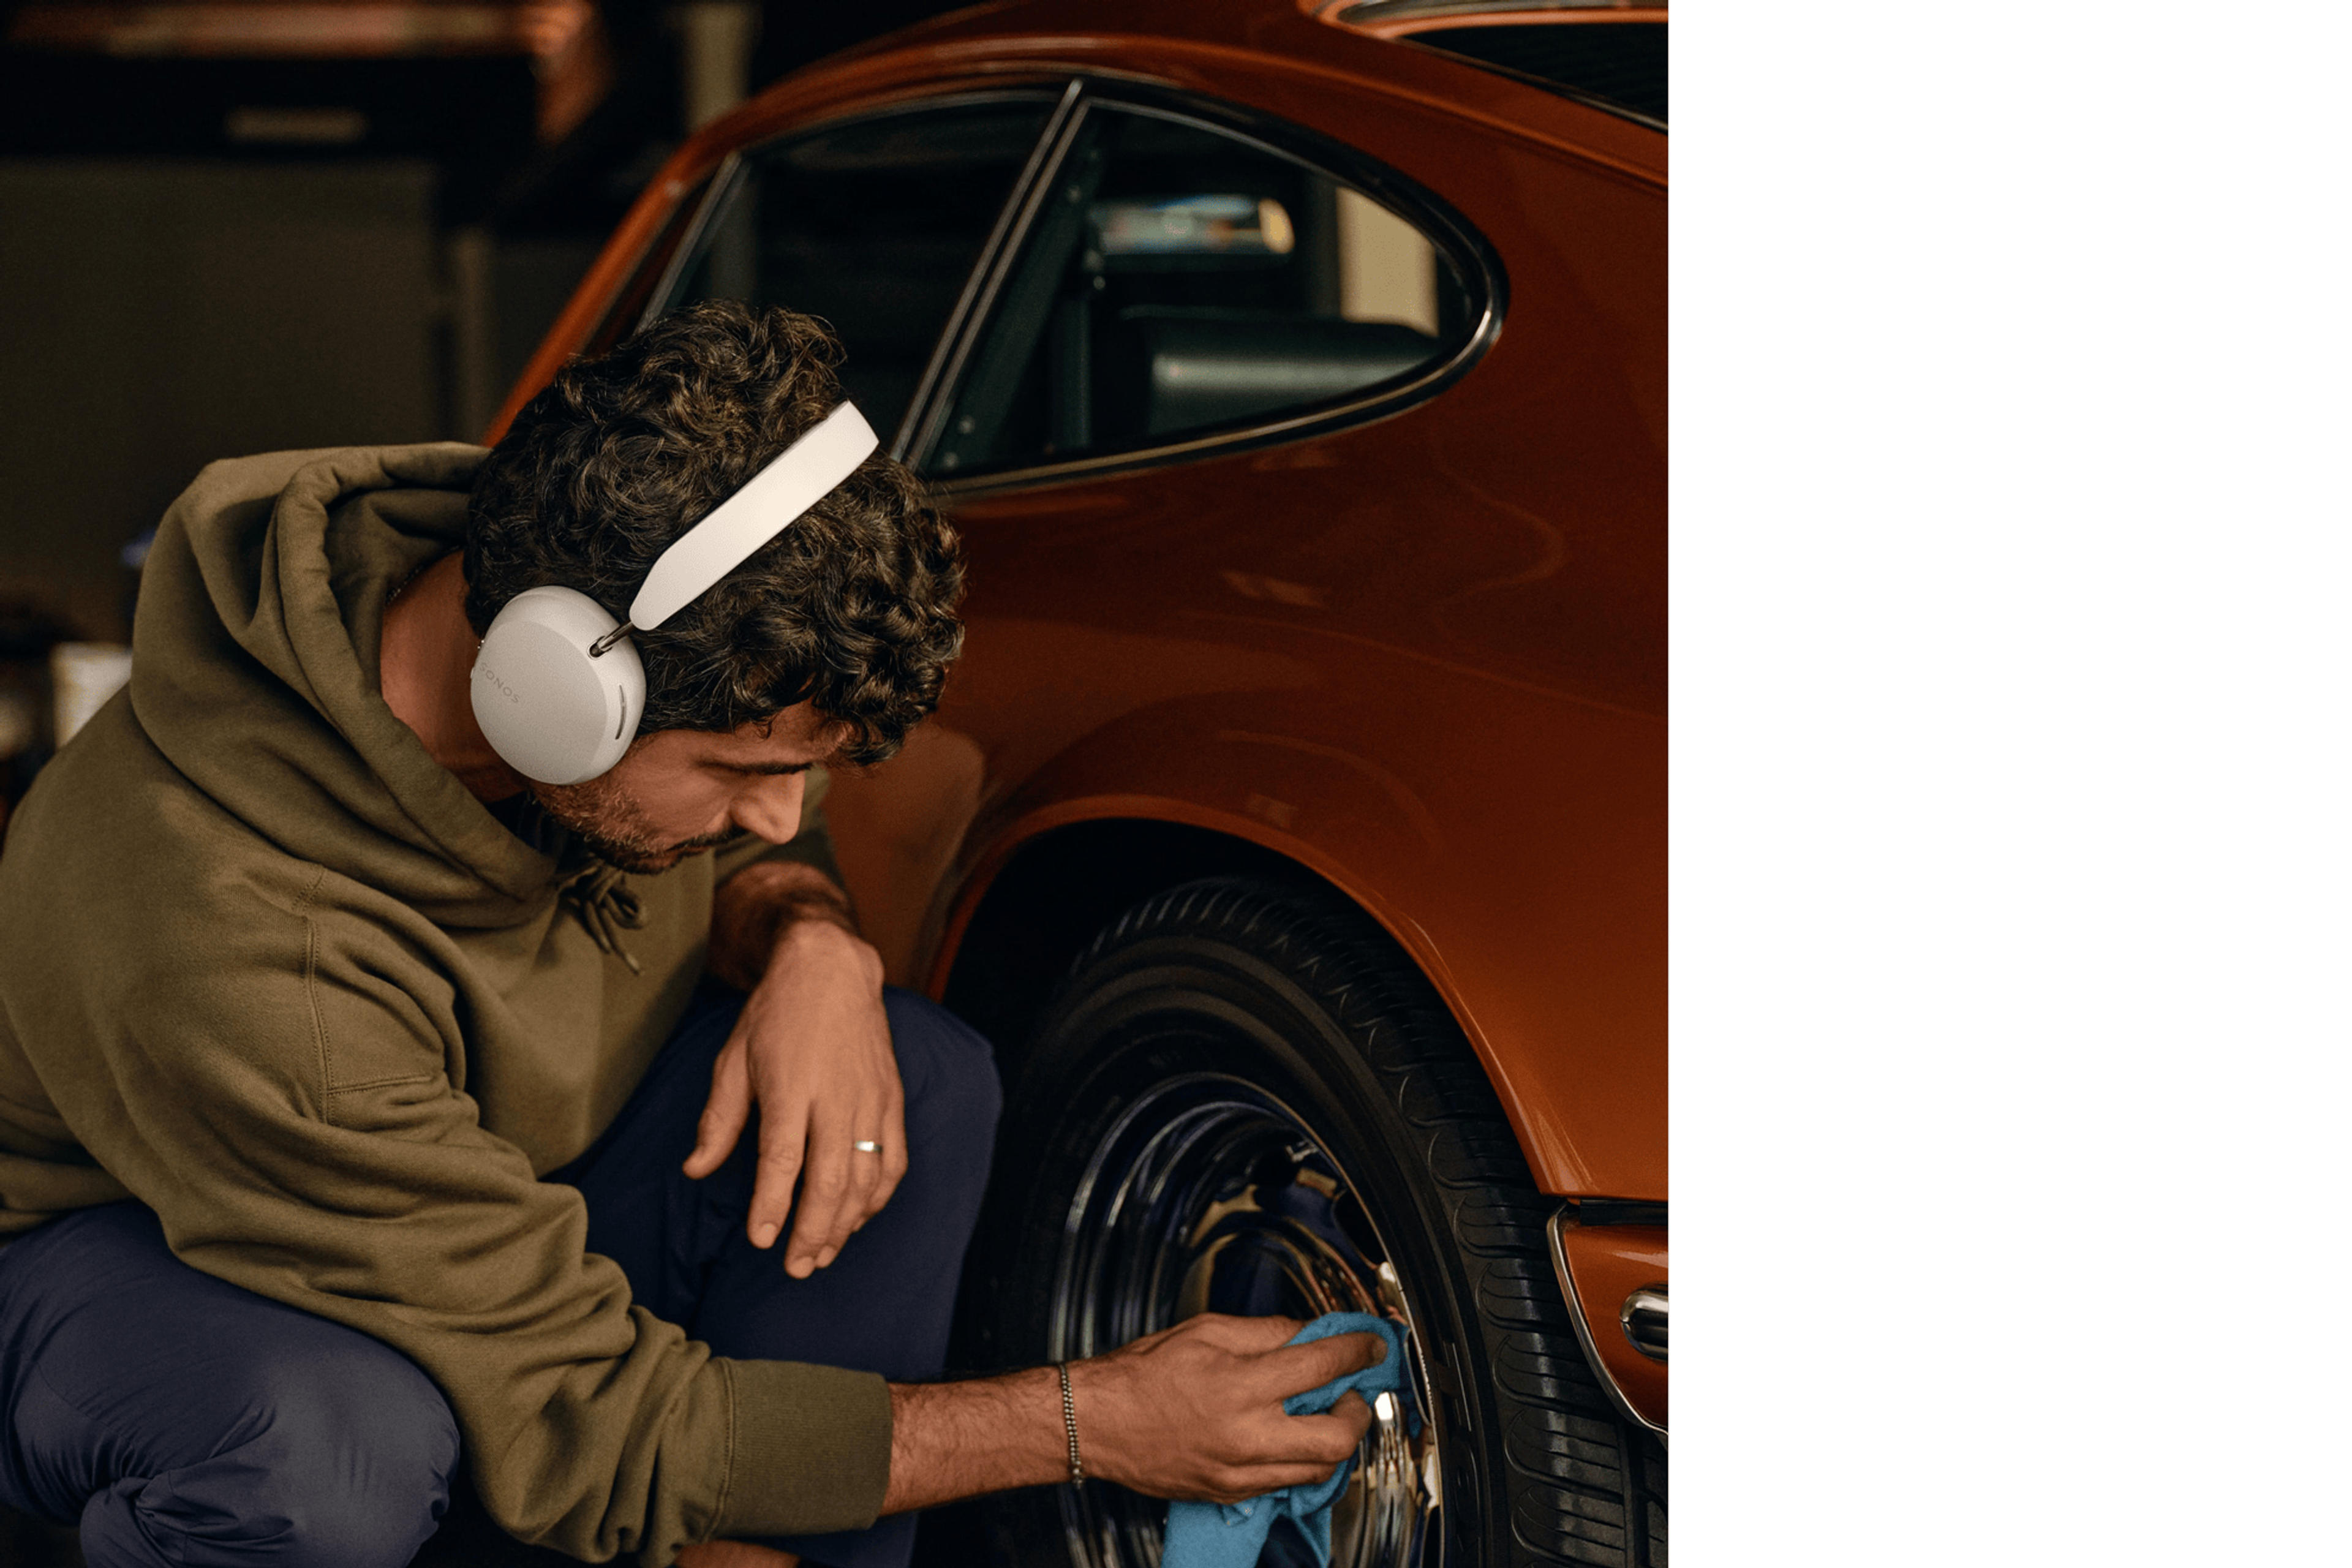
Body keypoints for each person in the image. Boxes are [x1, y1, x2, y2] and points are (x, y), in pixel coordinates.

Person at [0, 301, 1381, 1568]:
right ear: (553, 692)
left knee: (909, 1076)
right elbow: (585, 1420)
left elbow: (775, 845)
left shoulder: (624, 603)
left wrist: (810, 937)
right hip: (118, 1263)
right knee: (330, 1452)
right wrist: (1089, 1421)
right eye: (738, 774)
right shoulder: (235, 935)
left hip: (468, 1178)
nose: (781, 818)